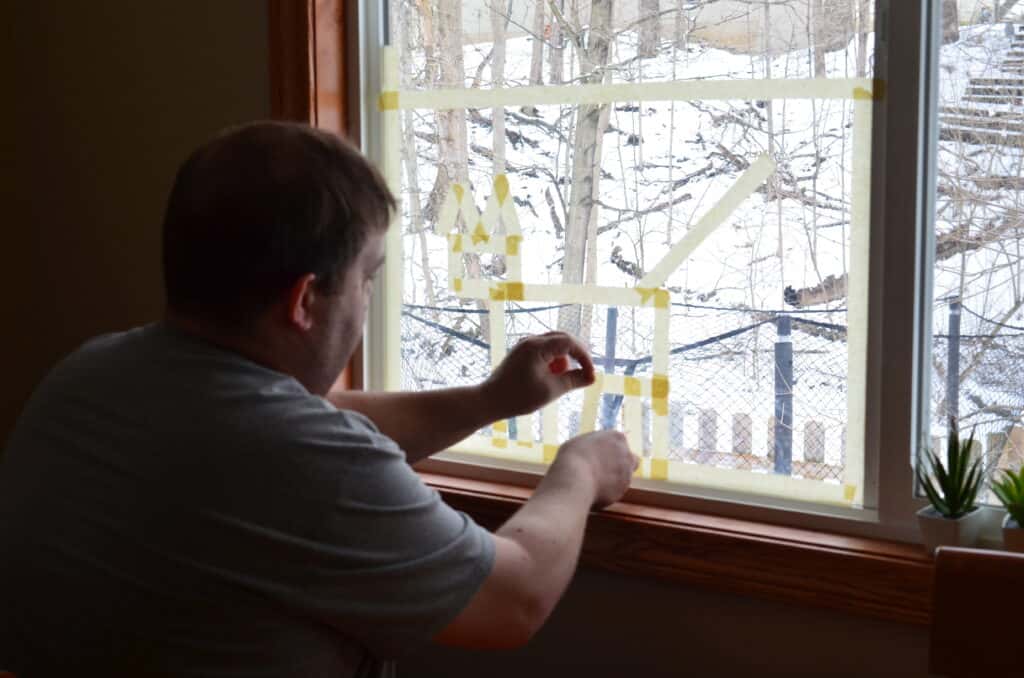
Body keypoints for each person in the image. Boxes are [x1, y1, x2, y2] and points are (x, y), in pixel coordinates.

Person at [0, 121, 637, 677]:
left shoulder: (89, 374)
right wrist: (578, 473)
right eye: (366, 279)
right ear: (305, 300)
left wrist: (487, 400)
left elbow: (323, 423)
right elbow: (513, 601)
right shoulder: (287, 455)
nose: (366, 302)